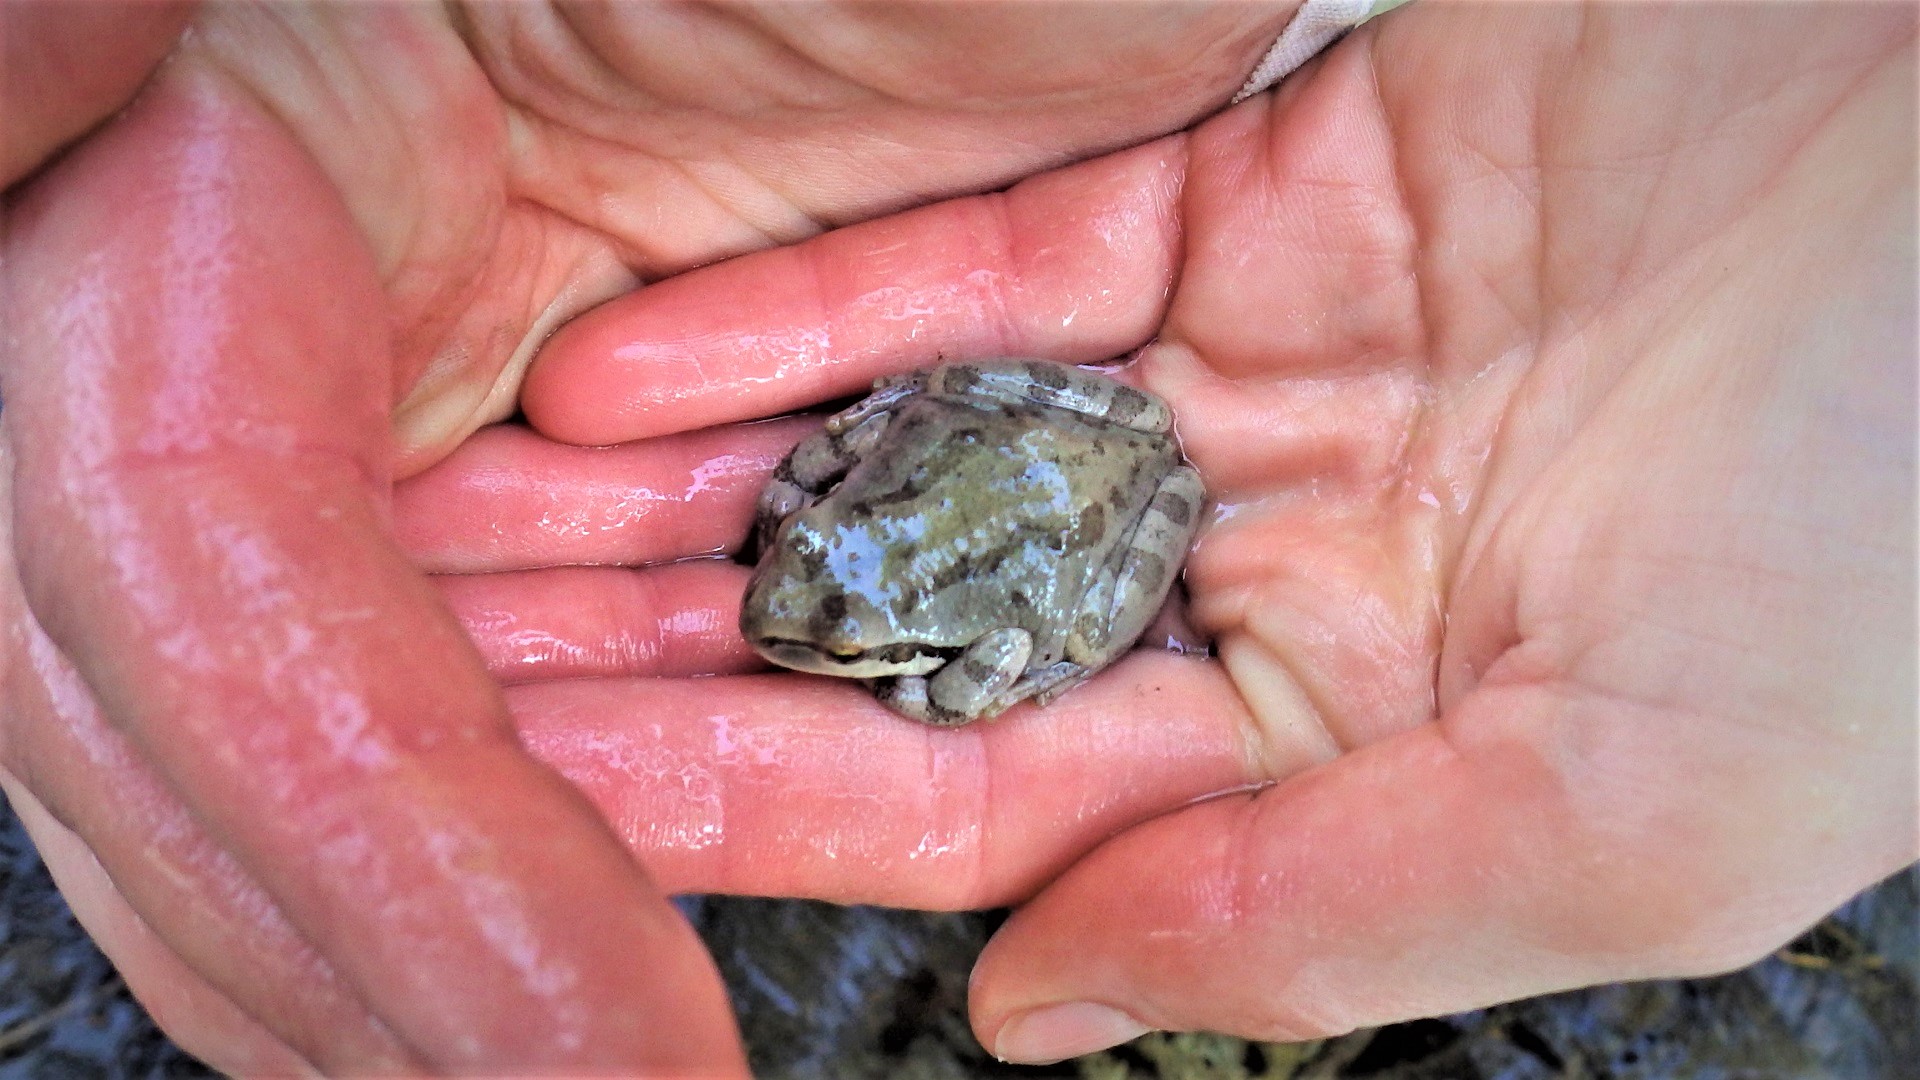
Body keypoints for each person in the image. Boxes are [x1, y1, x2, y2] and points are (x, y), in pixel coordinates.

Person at [2, 1, 1912, 1074]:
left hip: (1069, 493)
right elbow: (851, 457)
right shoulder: (807, 536)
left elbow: (955, 588)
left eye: (800, 609)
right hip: (1013, 457)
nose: (777, 587)